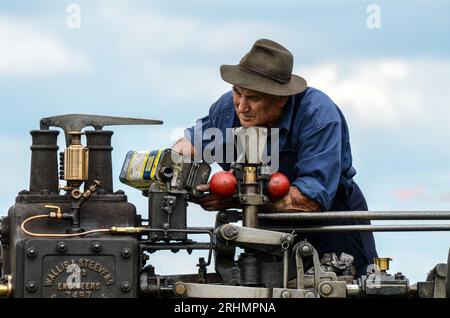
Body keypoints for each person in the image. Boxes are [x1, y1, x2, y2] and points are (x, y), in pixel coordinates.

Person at [172, 38, 377, 276]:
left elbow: (310, 200)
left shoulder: (318, 115)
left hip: (331, 230)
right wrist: (172, 166)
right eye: (238, 93)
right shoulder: (228, 109)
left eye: (254, 98)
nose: (242, 107)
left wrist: (238, 200)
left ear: (281, 99)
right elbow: (190, 146)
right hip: (265, 231)